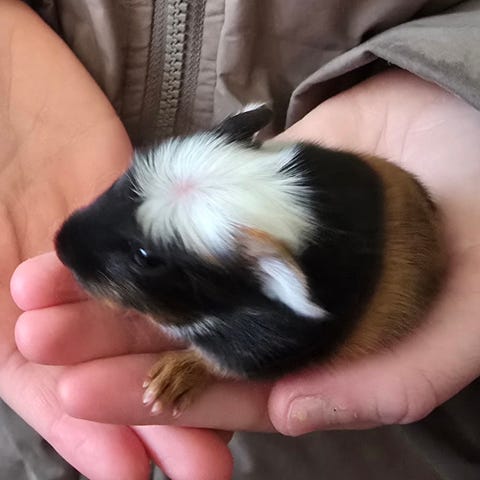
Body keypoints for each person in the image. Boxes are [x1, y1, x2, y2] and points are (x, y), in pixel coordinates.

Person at [1, 1, 480, 479]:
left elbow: (258, 349)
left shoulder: (270, 323)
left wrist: (457, 90)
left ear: (265, 277)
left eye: (146, 256)